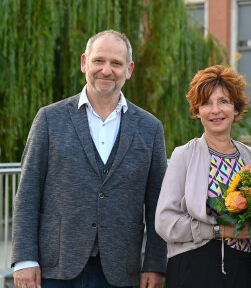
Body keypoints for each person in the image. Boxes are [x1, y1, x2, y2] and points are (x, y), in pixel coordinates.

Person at [11, 30, 167, 288]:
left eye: (116, 63)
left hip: (120, 270)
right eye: (99, 61)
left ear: (129, 69)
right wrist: (25, 259)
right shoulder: (49, 119)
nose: (106, 70)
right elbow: (27, 194)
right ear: (85, 62)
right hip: (55, 269)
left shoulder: (150, 128)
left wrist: (154, 263)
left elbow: (157, 204)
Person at [155, 65, 251, 287]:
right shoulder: (184, 155)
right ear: (197, 111)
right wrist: (218, 230)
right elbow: (165, 222)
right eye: (206, 103)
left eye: (224, 101)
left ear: (236, 108)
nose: (215, 110)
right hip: (193, 268)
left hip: (240, 269)